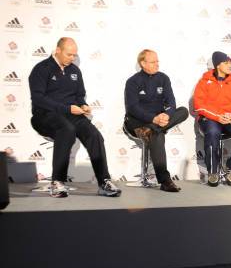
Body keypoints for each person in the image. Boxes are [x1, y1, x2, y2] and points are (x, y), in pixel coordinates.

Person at [28, 37, 121, 198]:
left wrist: (83, 105)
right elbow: (38, 99)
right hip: (44, 115)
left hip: (71, 115)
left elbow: (79, 95)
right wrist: (66, 108)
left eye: (74, 55)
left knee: (94, 135)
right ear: (57, 50)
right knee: (66, 129)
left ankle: (104, 182)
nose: (72, 58)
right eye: (69, 54)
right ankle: (57, 182)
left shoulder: (75, 71)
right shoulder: (41, 69)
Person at [124, 49, 188, 193]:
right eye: (153, 62)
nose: (157, 64)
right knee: (157, 135)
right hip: (137, 122)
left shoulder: (163, 78)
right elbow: (132, 108)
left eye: (158, 61)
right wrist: (153, 119)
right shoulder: (133, 81)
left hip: (157, 121)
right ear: (143, 63)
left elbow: (171, 102)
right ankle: (165, 181)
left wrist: (166, 114)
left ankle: (152, 129)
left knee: (183, 111)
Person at [193, 51, 231, 187]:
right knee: (213, 132)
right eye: (226, 62)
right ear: (218, 65)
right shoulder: (204, 81)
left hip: (229, 118)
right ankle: (213, 171)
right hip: (210, 118)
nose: (230, 65)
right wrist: (218, 116)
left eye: (230, 62)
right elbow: (199, 105)